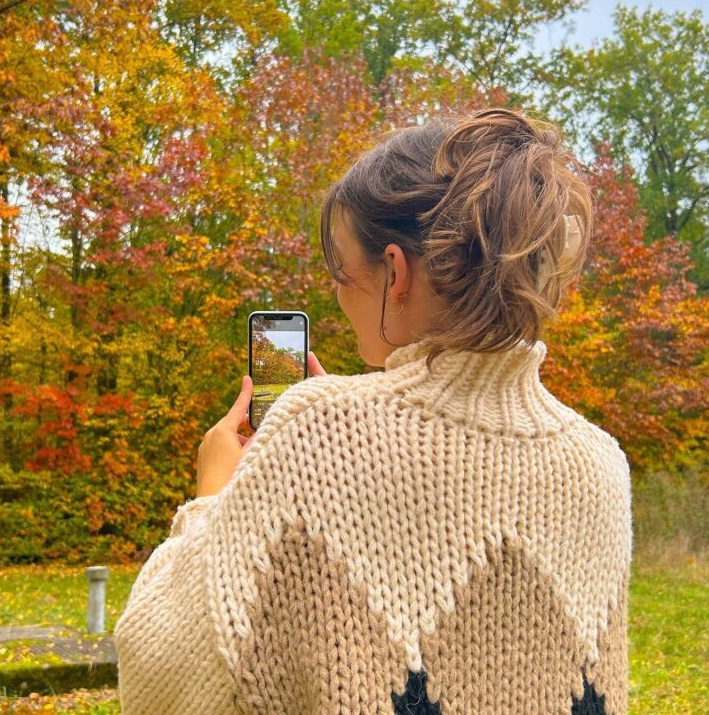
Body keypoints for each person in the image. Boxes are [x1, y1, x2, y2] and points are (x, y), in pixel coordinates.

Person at [113, 107, 632, 715]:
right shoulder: (603, 464)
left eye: (340, 266)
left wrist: (210, 499)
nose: (336, 291)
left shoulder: (314, 431)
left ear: (396, 270)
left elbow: (161, 674)